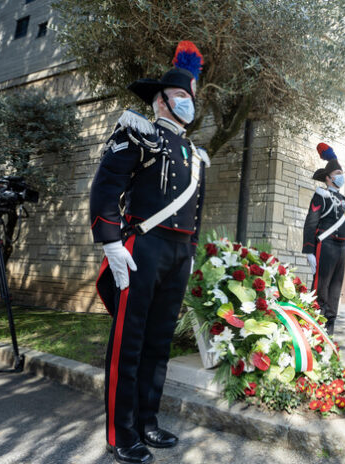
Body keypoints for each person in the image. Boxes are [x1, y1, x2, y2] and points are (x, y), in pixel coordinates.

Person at [90, 41, 210, 464]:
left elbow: (196, 211)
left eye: (189, 96)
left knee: (159, 343)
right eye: (179, 95)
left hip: (177, 255)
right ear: (161, 101)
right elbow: (106, 188)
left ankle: (147, 421)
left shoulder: (195, 154)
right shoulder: (138, 132)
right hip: (141, 247)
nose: (187, 102)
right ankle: (121, 433)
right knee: (130, 343)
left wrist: (190, 251)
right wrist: (111, 242)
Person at [302, 143, 345, 335]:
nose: (341, 176)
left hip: (341, 248)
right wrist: (309, 250)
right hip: (326, 245)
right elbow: (311, 223)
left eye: (341, 173)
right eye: (337, 173)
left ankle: (329, 327)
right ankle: (314, 326)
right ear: (329, 178)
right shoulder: (321, 196)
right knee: (320, 287)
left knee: (336, 287)